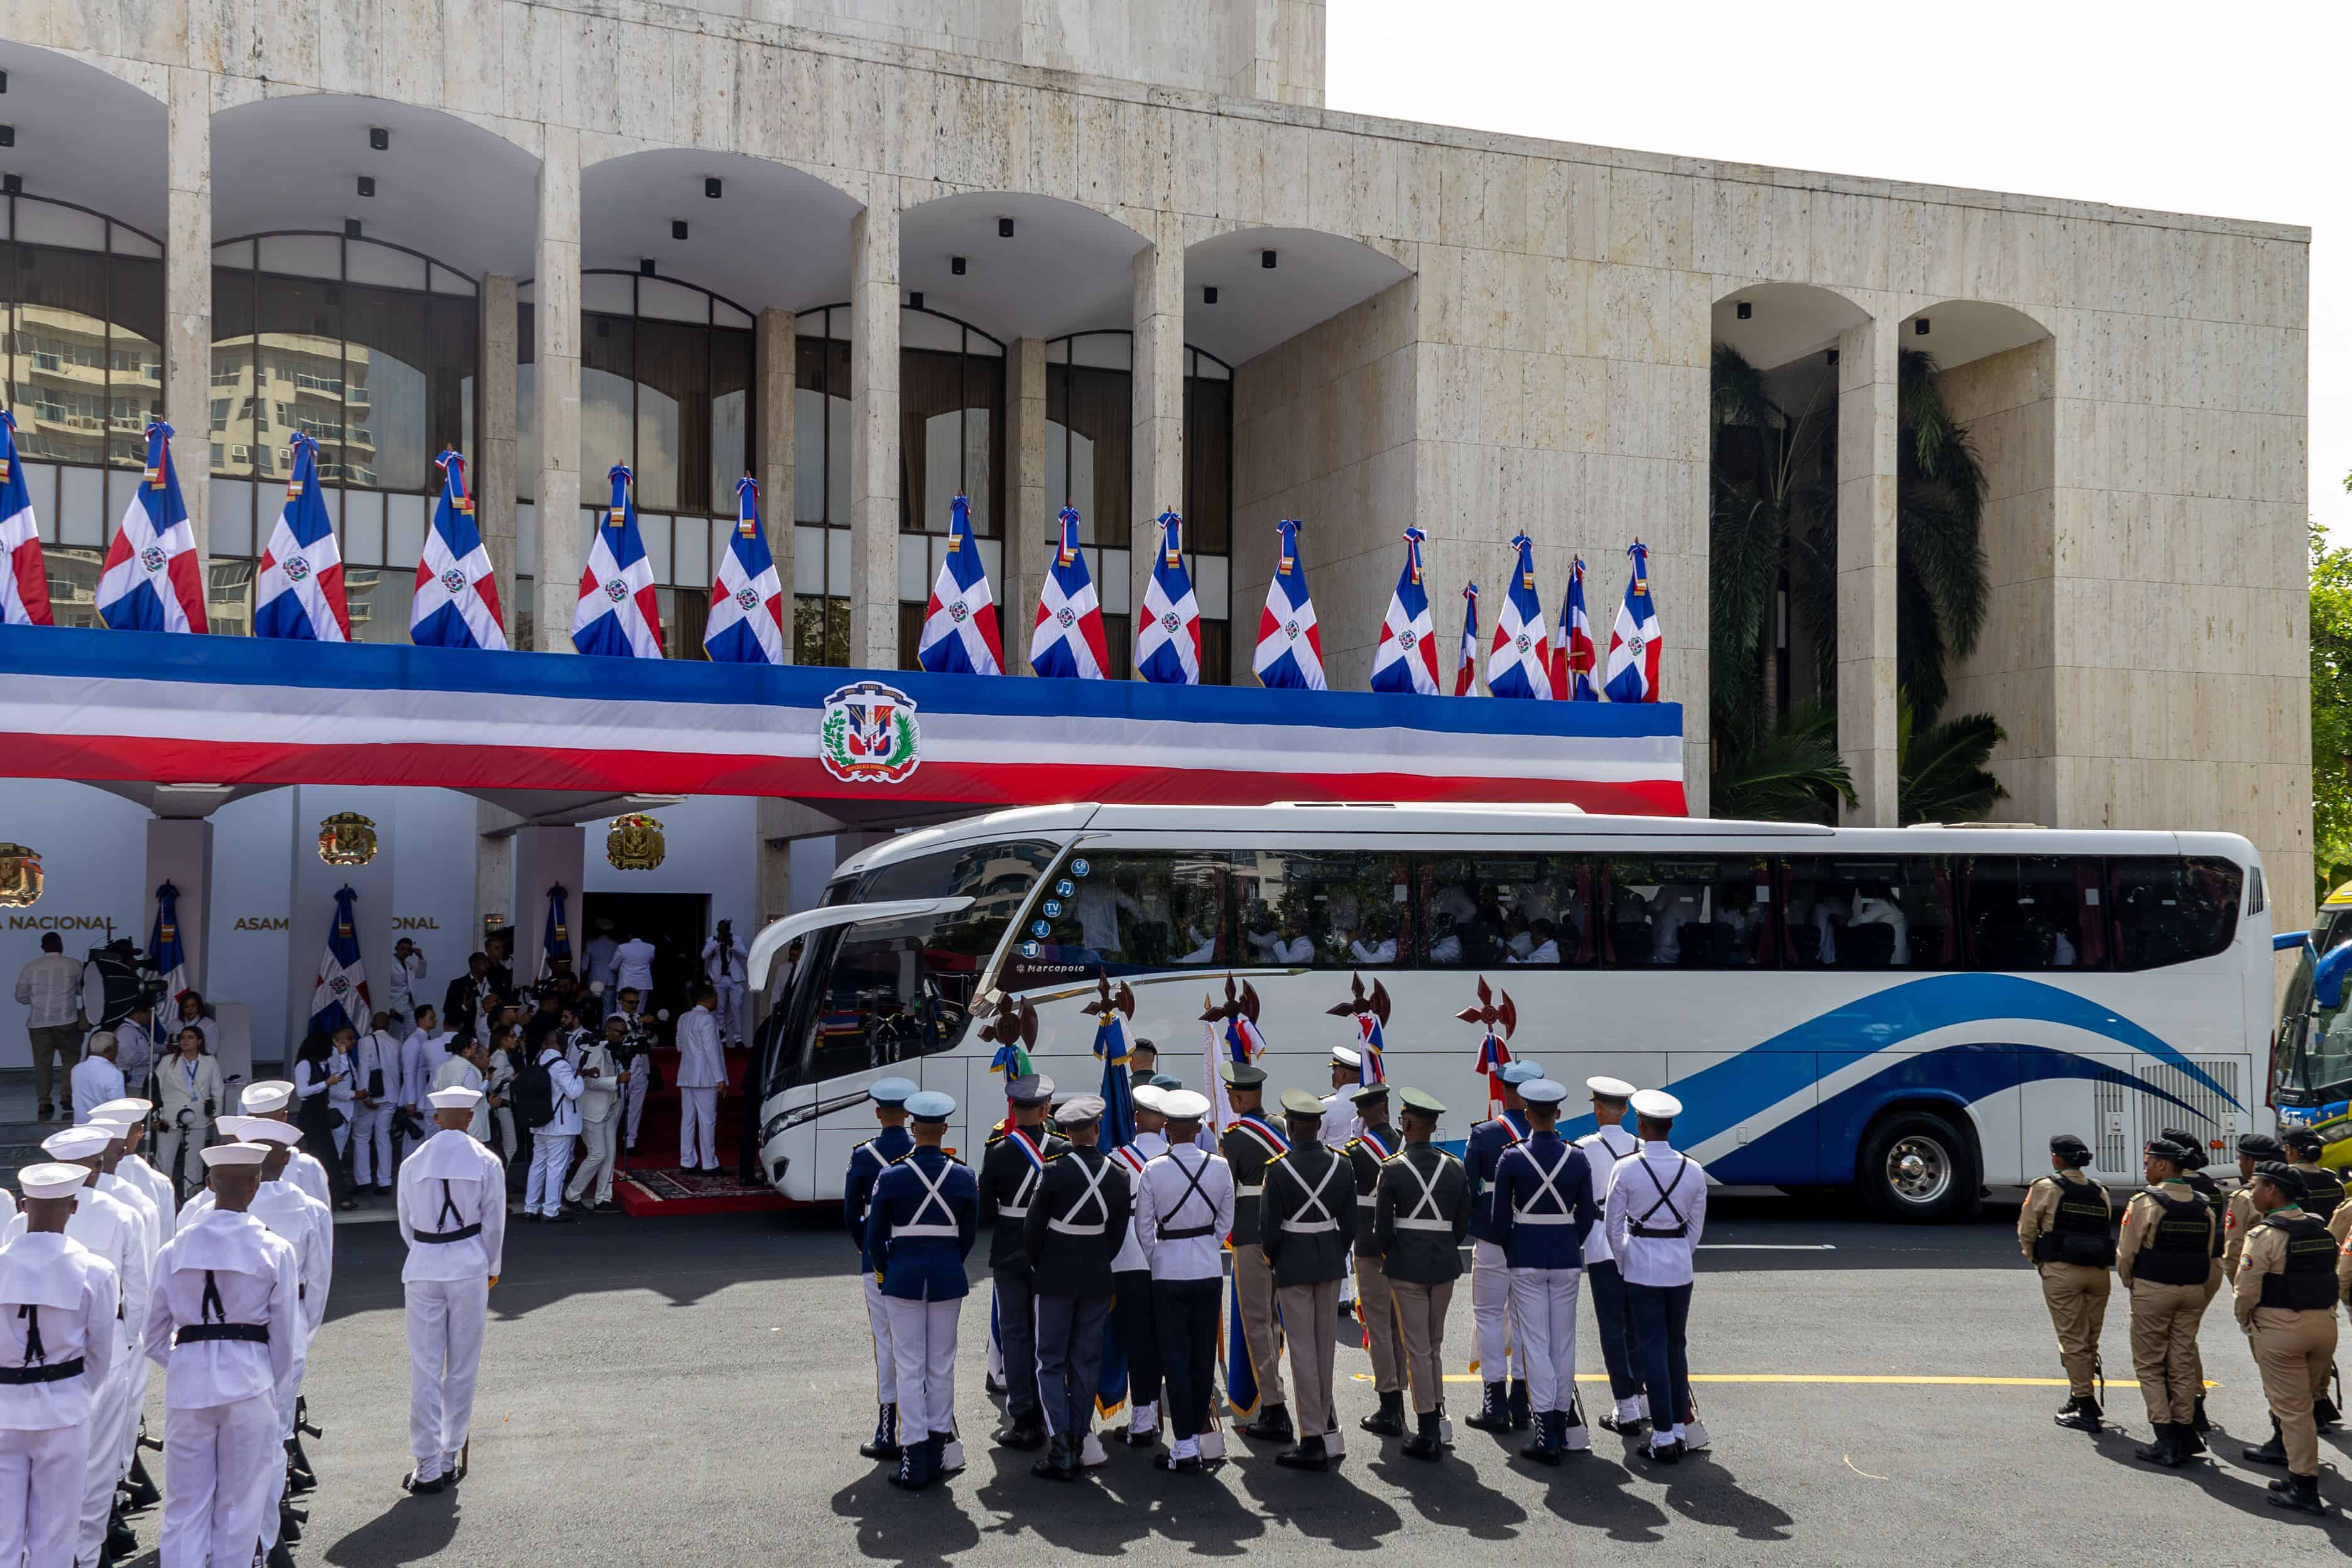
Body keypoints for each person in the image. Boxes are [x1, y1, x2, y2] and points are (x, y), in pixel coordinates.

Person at [143, 1140, 302, 1568]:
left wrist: (185, 1363)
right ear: (255, 1187)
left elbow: (153, 1335)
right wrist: (270, 1381)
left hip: (188, 1386)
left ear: (211, 1184)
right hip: (250, 1384)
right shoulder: (275, 1250)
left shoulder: (173, 1250)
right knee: (239, 1507)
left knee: (185, 1507)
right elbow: (287, 1339)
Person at [0, 1161, 120, 1568]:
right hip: (64, 1411)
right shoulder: (98, 1271)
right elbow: (100, 1355)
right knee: (55, 1538)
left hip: (3, 1409)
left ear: (22, 1206)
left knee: (3, 1540)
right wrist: (74, 1393)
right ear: (73, 1208)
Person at [38, 1124, 148, 1568]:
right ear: (98, 1166)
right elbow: (138, 1295)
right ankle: (86, 1556)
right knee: (98, 1466)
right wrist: (126, 1346)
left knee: (38, 1470)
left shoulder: (18, 1220)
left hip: (36, 1353)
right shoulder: (124, 1214)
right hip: (107, 1343)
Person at [863, 1089, 979, 1491]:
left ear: (914, 1129)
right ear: (944, 1128)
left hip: (903, 1277)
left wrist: (885, 1270)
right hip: (947, 1274)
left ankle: (913, 1456)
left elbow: (874, 1237)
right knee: (941, 1365)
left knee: (910, 1365)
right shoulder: (963, 1175)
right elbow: (967, 1237)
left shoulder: (892, 1176)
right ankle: (936, 1450)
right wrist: (948, 1262)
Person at [398, 1086, 507, 1495]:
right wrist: (490, 1267)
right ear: (470, 1118)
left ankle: (426, 1464)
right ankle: (447, 1455)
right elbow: (493, 1223)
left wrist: (428, 1251)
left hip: (424, 1263)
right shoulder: (486, 1160)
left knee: (425, 1367)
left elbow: (406, 1222)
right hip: (468, 1264)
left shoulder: (413, 1161)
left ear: (437, 1118)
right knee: (461, 1365)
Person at [1024, 1094, 1131, 1481]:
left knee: (1050, 1360)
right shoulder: (1118, 1175)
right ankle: (1080, 1436)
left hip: (1055, 1276)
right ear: (1098, 1129)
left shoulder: (1052, 1172)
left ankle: (1060, 1447)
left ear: (1065, 1132)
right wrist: (1096, 1260)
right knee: (1086, 1361)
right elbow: (1116, 1236)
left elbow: (1032, 1230)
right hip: (1097, 1277)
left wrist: (1043, 1265)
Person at [1491, 1079, 1598, 1464]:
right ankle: (1560, 1424)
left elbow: (1500, 1220)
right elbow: (1587, 1215)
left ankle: (1546, 1430)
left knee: (1534, 1343)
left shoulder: (1513, 1157)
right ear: (1558, 1114)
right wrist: (1569, 1240)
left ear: (1527, 1114)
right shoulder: (1577, 1157)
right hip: (1566, 1256)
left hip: (1527, 1257)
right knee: (1562, 1343)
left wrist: (1515, 1246)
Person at [1606, 1089, 1709, 1464]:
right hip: (1679, 1267)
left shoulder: (1628, 1167)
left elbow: (1613, 1227)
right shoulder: (1693, 1169)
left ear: (1641, 1125)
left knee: (1651, 1348)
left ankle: (1664, 1435)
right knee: (1675, 1347)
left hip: (1642, 1267)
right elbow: (1695, 1229)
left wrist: (1624, 1261)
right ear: (1670, 1126)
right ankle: (1678, 1429)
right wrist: (1680, 1253)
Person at [1131, 1089, 1232, 1474]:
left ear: (1169, 1129)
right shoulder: (1220, 1167)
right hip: (1207, 1269)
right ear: (1201, 1128)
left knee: (1174, 1356)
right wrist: (1206, 1245)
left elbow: (1144, 1228)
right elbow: (1226, 1222)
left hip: (1168, 1271)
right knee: (1203, 1357)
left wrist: (1160, 1258)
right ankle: (1194, 1441)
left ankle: (1185, 1443)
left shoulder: (1154, 1169)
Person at [1259, 1086, 1354, 1470]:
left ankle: (1313, 1437)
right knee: (1324, 1349)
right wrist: (1331, 1249)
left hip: (1294, 1264)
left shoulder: (1278, 1168)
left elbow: (1270, 1231)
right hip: (1329, 1261)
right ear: (1317, 1126)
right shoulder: (1342, 1164)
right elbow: (1348, 1225)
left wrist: (1276, 1259)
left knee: (1302, 1353)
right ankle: (1326, 1427)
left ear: (1293, 1127)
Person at [2234, 1161, 2336, 1514]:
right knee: (2303, 1406)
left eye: (2256, 1185)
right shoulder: (2320, 1229)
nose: (2251, 1191)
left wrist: (2246, 1321)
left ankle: (2305, 1488)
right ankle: (2296, 1475)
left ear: (2273, 1191)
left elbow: (2246, 1290)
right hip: (2324, 1326)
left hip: (2282, 1330)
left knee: (2294, 1412)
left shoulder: (2265, 1235)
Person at [1373, 1087, 1469, 1461]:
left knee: (1417, 1348)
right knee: (1433, 1344)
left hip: (1407, 1265)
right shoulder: (1454, 1167)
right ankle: (1437, 1413)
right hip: (1443, 1263)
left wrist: (1395, 1253)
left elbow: (1382, 1229)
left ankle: (1428, 1428)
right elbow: (1461, 1224)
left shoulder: (1392, 1168)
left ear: (1409, 1124)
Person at [2118, 1135, 2219, 1467]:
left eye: (2148, 1163)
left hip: (2154, 1290)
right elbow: (2206, 1253)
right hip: (2192, 1291)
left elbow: (2126, 1255)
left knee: (2149, 1364)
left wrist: (2133, 1284)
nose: (2145, 1168)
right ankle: (2184, 1430)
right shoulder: (2204, 1205)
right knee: (2182, 1361)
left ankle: (2164, 1439)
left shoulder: (2145, 1203)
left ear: (2163, 1165)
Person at [977, 1074, 1065, 1451]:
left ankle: (1024, 1417)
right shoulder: (1062, 1148)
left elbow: (983, 1212)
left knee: (1014, 1333)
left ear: (1013, 1109)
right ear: (1047, 1109)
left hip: (1012, 1248)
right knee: (1053, 1333)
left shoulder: (998, 1151)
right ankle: (1052, 1413)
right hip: (1053, 1247)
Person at [1463, 1058, 1544, 1433]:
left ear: (1506, 1092)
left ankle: (1494, 1399)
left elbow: (1468, 1188)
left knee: (1489, 1315)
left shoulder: (1485, 1135)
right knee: (1529, 1318)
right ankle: (1522, 1398)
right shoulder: (1547, 1139)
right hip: (1532, 1237)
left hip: (1494, 1237)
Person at [2017, 1131, 2115, 1433]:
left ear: (2056, 1158)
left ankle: (2086, 1406)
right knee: (2089, 1338)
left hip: (2062, 1271)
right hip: (2098, 1274)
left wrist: (2039, 1262)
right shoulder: (2100, 1191)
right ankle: (2077, 1394)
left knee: (2072, 1338)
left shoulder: (2045, 1187)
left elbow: (2027, 1231)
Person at [845, 1077, 920, 1461]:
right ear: (909, 1114)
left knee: (886, 1343)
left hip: (877, 1260)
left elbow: (852, 1215)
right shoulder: (919, 1149)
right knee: (916, 1344)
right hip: (912, 1252)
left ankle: (888, 1428)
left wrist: (869, 1250)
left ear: (878, 1113)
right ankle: (918, 1426)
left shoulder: (863, 1155)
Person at [1217, 1062, 1291, 1441]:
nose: (1230, 1098)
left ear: (1240, 1096)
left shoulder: (1233, 1137)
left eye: (1232, 1093)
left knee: (1257, 1322)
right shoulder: (1281, 1127)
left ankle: (1275, 1409)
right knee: (1278, 1321)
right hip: (1284, 1235)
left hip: (1250, 1236)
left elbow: (1226, 1192)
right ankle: (1278, 1395)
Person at [1574, 1075, 1646, 1432]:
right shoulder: (1642, 1146)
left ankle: (1626, 1407)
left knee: (1612, 1327)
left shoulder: (1585, 1146)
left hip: (1602, 1242)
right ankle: (1642, 1396)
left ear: (1599, 1108)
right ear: (1626, 1110)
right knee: (1637, 1324)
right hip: (1637, 1243)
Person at [1342, 1082, 1409, 1440]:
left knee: (1379, 1325)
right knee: (1404, 1325)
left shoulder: (1356, 1152)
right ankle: (1404, 1397)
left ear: (1363, 1115)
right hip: (1406, 1245)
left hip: (1369, 1246)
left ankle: (1389, 1404)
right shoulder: (1406, 1144)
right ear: (1386, 1107)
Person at [1105, 1085, 1168, 1448]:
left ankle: (1143, 1419)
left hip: (1127, 1257)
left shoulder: (1117, 1158)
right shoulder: (1179, 1157)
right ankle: (1152, 1414)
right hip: (1169, 1258)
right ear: (1163, 1121)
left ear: (1135, 1118)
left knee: (1136, 1341)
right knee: (1166, 1339)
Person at [13, 932, 84, 1119]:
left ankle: (44, 1103)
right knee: (70, 1058)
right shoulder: (74, 964)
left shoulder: (30, 968)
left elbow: (20, 996)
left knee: (42, 1063)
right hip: (67, 1021)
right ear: (61, 945)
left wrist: (37, 1000)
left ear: (42, 947)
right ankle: (67, 1095)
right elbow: (81, 990)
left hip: (38, 1023)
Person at [156, 1025, 227, 1196]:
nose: (185, 1041)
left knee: (195, 1160)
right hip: (169, 1116)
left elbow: (218, 1089)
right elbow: (155, 1090)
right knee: (165, 1157)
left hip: (199, 1115)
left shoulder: (209, 1062)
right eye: (183, 1037)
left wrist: (215, 1113)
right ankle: (161, 1194)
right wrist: (156, 1116)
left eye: (190, 1037)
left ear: (199, 1041)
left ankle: (192, 1195)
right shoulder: (167, 1061)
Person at [563, 1018, 625, 1213]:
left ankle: (603, 1198)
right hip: (592, 1110)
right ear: (608, 1030)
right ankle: (572, 1194)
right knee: (598, 1154)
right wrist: (616, 1080)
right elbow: (588, 1082)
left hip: (610, 1107)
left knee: (610, 1156)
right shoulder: (594, 1048)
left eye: (625, 1033)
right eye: (619, 1032)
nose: (622, 1037)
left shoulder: (616, 1051)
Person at [523, 1027, 584, 1223]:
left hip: (540, 1123)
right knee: (556, 1167)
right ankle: (551, 1210)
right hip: (559, 1125)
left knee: (537, 1165)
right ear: (561, 1045)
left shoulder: (537, 1060)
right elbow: (574, 1092)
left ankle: (530, 1207)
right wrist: (581, 1076)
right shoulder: (560, 1065)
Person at [293, 1030, 357, 1210]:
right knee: (326, 1157)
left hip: (320, 1111)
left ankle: (333, 1197)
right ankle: (335, 1198)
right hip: (311, 1114)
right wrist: (326, 1084)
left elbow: (340, 1073)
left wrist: (343, 1054)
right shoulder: (305, 1064)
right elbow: (302, 1092)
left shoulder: (321, 1064)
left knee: (327, 1157)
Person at [675, 984, 726, 1172]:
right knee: (707, 1120)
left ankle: (687, 1161)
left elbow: (679, 1045)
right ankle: (709, 1163)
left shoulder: (683, 1018)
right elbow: (712, 1051)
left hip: (686, 1074)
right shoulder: (707, 1019)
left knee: (687, 1119)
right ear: (711, 998)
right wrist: (720, 1078)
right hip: (705, 1076)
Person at [353, 1011, 404, 1195]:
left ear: (372, 1025)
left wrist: (365, 1095)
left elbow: (365, 1068)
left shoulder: (365, 1042)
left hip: (372, 1096)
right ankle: (385, 1182)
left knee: (362, 1136)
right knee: (383, 1136)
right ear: (388, 1026)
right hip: (392, 1095)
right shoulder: (397, 1043)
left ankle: (364, 1180)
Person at [613, 989, 655, 1153]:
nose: (634, 1006)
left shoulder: (640, 1018)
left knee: (637, 1106)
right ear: (621, 1002)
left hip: (641, 1063)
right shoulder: (616, 1018)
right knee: (619, 1106)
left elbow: (652, 1041)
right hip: (624, 1064)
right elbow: (619, 1033)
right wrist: (639, 1022)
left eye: (636, 1002)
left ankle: (630, 1141)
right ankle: (610, 1141)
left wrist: (649, 1033)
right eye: (630, 1002)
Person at [433, 1038, 494, 1143]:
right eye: (474, 1045)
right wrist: (486, 1082)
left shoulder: (443, 1067)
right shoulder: (467, 1068)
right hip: (470, 1121)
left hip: (449, 1118)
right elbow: (475, 1096)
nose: (476, 1047)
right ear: (467, 1050)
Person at [703, 921, 748, 1048]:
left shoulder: (736, 939)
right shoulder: (712, 940)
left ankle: (738, 1039)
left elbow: (745, 955)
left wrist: (732, 945)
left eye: (725, 931)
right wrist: (717, 942)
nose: (723, 933)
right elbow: (704, 955)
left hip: (735, 979)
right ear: (718, 930)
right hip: (719, 978)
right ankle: (722, 1039)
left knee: (736, 1007)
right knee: (720, 1009)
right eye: (721, 931)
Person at [69, 1030, 126, 1126]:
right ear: (110, 1050)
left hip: (80, 1125)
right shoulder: (114, 1074)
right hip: (105, 1128)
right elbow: (118, 1106)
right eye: (116, 1047)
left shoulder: (77, 1069)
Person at [440, 952, 493, 1049]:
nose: (488, 964)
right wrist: (464, 1007)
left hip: (488, 1034)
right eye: (484, 962)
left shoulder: (493, 984)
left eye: (488, 962)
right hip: (467, 1034)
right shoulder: (458, 984)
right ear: (474, 964)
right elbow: (447, 1009)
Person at [1319, 1047, 1365, 1149]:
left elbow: (1316, 1139)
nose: (1332, 1075)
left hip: (1336, 1163)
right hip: (1367, 1161)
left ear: (1342, 1074)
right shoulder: (1371, 1101)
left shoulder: (1327, 1105)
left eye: (1334, 1071)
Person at [114, 1000, 156, 1098]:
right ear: (139, 1013)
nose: (151, 1017)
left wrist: (166, 1049)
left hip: (144, 1082)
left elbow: (150, 1047)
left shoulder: (139, 1029)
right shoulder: (125, 1031)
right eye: (149, 1013)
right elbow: (130, 1058)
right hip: (132, 1084)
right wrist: (156, 1057)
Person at [386, 938, 429, 1035]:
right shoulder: (388, 964)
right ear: (396, 948)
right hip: (395, 1006)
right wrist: (389, 1007)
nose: (405, 952)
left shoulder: (409, 965)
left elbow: (421, 974)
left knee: (412, 1035)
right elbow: (384, 987)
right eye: (403, 949)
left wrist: (420, 957)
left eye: (409, 950)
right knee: (394, 1035)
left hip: (410, 1006)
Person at [582, 920, 621, 1016]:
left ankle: (593, 1027)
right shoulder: (616, 944)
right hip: (610, 980)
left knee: (593, 1005)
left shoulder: (590, 943)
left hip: (594, 979)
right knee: (608, 1007)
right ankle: (605, 1028)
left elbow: (584, 966)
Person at [173, 991, 222, 1060]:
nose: (190, 1009)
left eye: (193, 1006)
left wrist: (188, 1055)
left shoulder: (209, 1025)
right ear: (182, 1008)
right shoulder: (174, 1023)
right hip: (177, 1063)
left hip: (201, 1064)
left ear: (199, 1006)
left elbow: (211, 1051)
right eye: (186, 1007)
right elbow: (166, 1046)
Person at [614, 930, 658, 1003]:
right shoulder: (651, 947)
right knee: (640, 1007)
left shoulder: (622, 947)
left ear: (629, 935)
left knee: (622, 1007)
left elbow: (614, 966)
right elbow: (650, 963)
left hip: (626, 982)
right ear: (642, 936)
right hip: (644, 982)